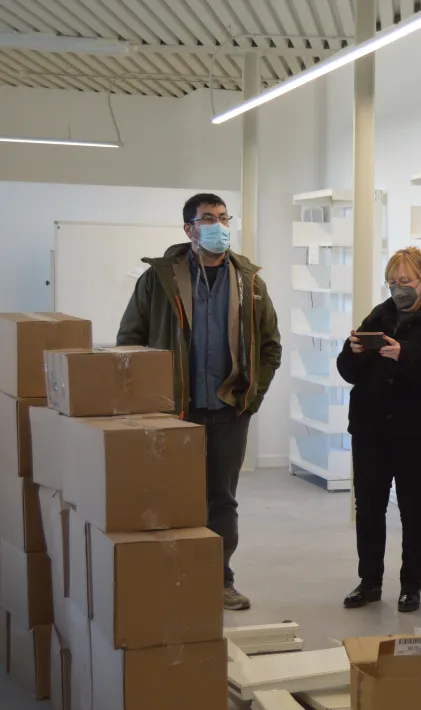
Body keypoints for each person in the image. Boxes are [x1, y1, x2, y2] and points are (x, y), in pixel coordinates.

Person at [117, 192, 282, 611]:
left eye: (224, 218)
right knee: (169, 497)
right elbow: (130, 340)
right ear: (188, 228)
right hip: (174, 411)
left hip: (229, 410)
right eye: (208, 218)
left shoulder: (249, 281)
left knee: (221, 500)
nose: (219, 226)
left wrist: (252, 398)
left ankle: (220, 579)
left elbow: (270, 346)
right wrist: (145, 403)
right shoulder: (160, 279)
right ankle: (172, 578)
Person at [336, 247, 421, 613]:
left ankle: (411, 586)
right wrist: (353, 350)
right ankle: (369, 581)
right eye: (392, 282)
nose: (398, 289)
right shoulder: (379, 315)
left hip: (419, 431)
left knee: (413, 507)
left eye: (405, 281)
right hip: (371, 428)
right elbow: (347, 372)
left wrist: (405, 355)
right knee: (370, 506)